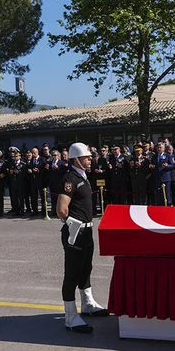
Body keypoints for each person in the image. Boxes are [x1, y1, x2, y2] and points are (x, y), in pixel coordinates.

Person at [56, 142, 108, 334]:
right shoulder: (70, 178)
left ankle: (87, 304)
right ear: (76, 159)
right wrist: (72, 224)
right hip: (76, 232)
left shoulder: (83, 177)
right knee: (72, 274)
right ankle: (70, 317)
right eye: (86, 157)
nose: (90, 159)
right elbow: (61, 209)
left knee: (86, 268)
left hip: (87, 231)